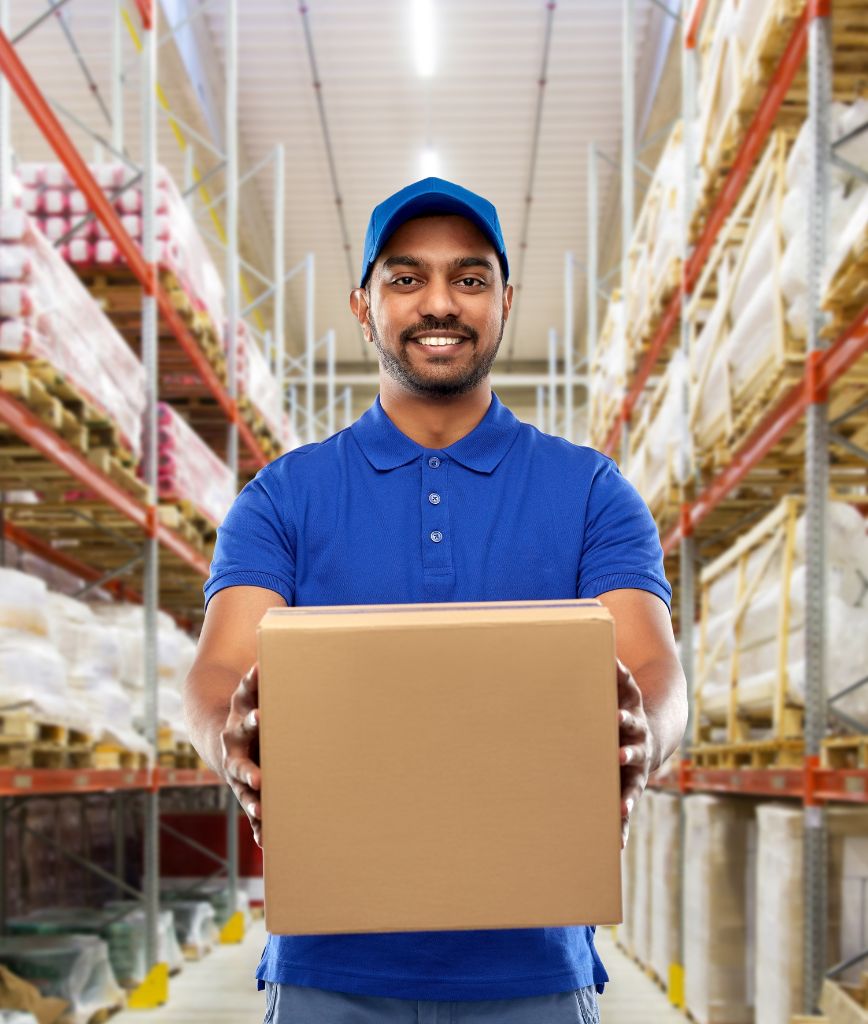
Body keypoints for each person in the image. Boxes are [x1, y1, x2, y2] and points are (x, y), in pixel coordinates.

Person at [183, 177, 687, 1024]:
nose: (439, 304)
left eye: (471, 278)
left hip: (534, 965)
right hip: (326, 968)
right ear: (363, 303)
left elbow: (653, 668)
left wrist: (647, 737)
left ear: (504, 300)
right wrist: (228, 737)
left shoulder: (591, 490)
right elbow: (219, 670)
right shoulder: (284, 497)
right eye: (407, 279)